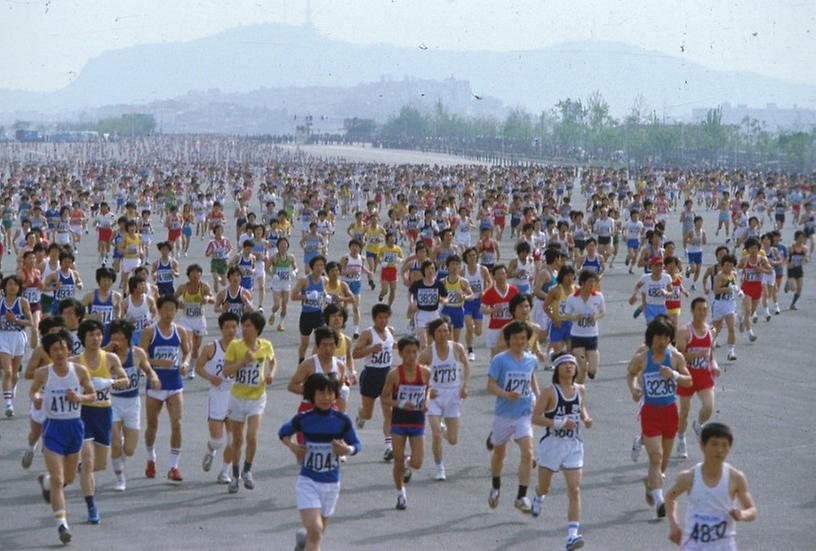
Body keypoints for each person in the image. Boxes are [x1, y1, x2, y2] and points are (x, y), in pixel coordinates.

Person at [279, 373, 361, 551]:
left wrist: (347, 450)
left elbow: (356, 444)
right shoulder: (304, 418)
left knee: (317, 532)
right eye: (321, 393)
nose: (326, 397)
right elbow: (283, 433)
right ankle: (308, 537)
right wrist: (292, 446)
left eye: (330, 393)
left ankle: (303, 541)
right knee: (316, 530)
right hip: (308, 482)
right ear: (312, 395)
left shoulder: (342, 421)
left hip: (331, 484)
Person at [29, 331, 96, 544]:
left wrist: (80, 397)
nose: (59, 353)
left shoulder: (79, 370)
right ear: (49, 353)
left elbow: (92, 395)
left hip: (74, 427)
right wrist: (37, 398)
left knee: (68, 479)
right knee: (59, 481)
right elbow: (32, 391)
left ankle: (45, 481)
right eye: (54, 350)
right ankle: (62, 525)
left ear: (68, 348)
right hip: (54, 428)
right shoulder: (43, 373)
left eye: (62, 348)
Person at [627, 317, 692, 518]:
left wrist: (673, 375)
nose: (662, 341)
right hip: (650, 413)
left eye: (666, 337)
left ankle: (652, 487)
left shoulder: (675, 358)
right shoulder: (643, 358)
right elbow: (630, 373)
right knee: (655, 456)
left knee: (661, 463)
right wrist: (634, 388)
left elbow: (689, 381)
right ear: (651, 338)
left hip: (670, 413)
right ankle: (660, 502)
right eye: (658, 337)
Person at [530, 353, 592, 551]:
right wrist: (559, 423)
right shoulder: (549, 392)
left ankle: (572, 536)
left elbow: (580, 408)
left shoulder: (580, 390)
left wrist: (586, 418)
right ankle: (539, 496)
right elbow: (535, 418)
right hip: (552, 445)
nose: (569, 367)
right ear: (557, 369)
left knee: (574, 490)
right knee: (545, 486)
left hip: (573, 445)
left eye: (572, 364)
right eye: (564, 364)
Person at [72, 319, 129, 523]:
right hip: (83, 413)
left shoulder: (111, 358)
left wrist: (110, 382)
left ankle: (71, 471)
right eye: (91, 335)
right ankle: (92, 509)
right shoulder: (76, 362)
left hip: (104, 414)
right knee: (88, 461)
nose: (96, 339)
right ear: (83, 338)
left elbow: (126, 380)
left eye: (98, 335)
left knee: (99, 464)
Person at [666, 422, 758, 550]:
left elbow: (752, 510)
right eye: (714, 444)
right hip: (694, 545)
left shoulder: (736, 478)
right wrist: (674, 524)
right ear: (702, 446)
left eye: (724, 445)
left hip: (724, 546)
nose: (719, 450)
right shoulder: (688, 477)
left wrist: (742, 514)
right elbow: (670, 497)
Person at [486, 320, 540, 514]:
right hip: (503, 414)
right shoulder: (500, 360)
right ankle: (495, 485)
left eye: (524, 338)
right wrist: (506, 394)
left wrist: (540, 400)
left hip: (523, 414)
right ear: (509, 340)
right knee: (500, 454)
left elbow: (532, 379)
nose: (520, 342)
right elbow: (490, 385)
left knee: (528, 453)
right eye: (516, 338)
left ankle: (521, 496)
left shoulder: (531, 360)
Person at [222, 311, 277, 493]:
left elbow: (273, 361)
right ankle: (235, 475)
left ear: (257, 329)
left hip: (257, 397)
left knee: (252, 436)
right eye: (243, 325)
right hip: (237, 398)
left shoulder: (266, 345)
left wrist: (271, 374)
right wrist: (242, 362)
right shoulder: (235, 347)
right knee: (237, 439)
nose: (244, 328)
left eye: (248, 325)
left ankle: (247, 470)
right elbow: (226, 371)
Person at [140, 294, 191, 482]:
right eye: (166, 309)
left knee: (177, 424)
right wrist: (156, 361)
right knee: (152, 426)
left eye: (173, 309)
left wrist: (185, 364)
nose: (170, 313)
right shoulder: (150, 331)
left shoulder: (180, 331)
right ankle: (150, 457)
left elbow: (187, 351)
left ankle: (173, 467)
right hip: (156, 384)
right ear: (159, 310)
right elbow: (140, 357)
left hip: (175, 384)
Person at [107, 319, 160, 492]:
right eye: (113, 336)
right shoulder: (106, 356)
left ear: (128, 338)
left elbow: (148, 369)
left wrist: (153, 377)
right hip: (112, 401)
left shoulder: (137, 354)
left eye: (120, 336)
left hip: (132, 403)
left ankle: (120, 457)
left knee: (129, 449)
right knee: (115, 444)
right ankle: (119, 477)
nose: (116, 340)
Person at [381, 336, 431, 509]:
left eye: (415, 352)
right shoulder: (394, 375)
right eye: (408, 352)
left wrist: (426, 402)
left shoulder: (425, 372)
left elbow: (428, 389)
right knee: (397, 461)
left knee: (417, 462)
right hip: (399, 422)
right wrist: (401, 404)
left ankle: (408, 465)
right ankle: (400, 494)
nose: (412, 356)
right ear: (401, 354)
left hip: (417, 421)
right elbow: (385, 398)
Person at [418, 318, 470, 481]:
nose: (443, 334)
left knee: (453, 440)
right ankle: (439, 466)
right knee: (436, 435)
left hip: (453, 394)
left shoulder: (456, 348)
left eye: (445, 331)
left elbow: (466, 365)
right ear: (433, 334)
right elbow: (415, 371)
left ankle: (442, 428)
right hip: (434, 396)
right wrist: (425, 390)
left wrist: (465, 386)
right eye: (439, 331)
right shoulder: (428, 352)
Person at [195, 312, 239, 484]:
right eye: (227, 327)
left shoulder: (241, 348)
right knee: (218, 440)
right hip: (217, 395)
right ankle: (210, 450)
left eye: (234, 326)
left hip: (235, 396)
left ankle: (224, 472)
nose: (231, 330)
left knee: (233, 440)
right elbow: (198, 367)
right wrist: (210, 377)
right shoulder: (211, 348)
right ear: (221, 328)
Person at [675, 297, 719, 459]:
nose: (702, 312)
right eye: (699, 309)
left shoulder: (710, 331)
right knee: (684, 412)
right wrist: (695, 355)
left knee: (709, 406)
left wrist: (714, 364)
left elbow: (710, 351)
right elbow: (679, 357)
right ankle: (681, 439)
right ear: (693, 311)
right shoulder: (684, 331)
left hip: (704, 374)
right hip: (687, 375)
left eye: (705, 309)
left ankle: (698, 424)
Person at [353, 303, 396, 461]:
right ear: (374, 318)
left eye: (385, 317)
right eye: (380, 318)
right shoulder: (367, 334)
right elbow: (355, 353)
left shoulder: (390, 331)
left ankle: (388, 447)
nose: (383, 321)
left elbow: (392, 345)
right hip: (370, 376)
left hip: (386, 377)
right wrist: (371, 350)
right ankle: (360, 415)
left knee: (389, 414)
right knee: (368, 414)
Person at [564, 269, 606, 383]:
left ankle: (591, 362)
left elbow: (603, 312)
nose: (592, 284)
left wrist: (596, 317)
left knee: (592, 371)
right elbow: (567, 315)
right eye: (589, 282)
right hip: (577, 335)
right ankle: (579, 389)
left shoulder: (598, 296)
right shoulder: (572, 298)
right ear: (582, 283)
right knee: (582, 365)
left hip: (592, 336)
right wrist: (576, 317)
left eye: (594, 282)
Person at [1, 274, 33, 416]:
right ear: (5, 287)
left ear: (19, 288)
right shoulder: (0, 302)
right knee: (7, 371)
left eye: (15, 284)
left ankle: (12, 388)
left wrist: (16, 320)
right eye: (9, 284)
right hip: (3, 337)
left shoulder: (23, 302)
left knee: (15, 374)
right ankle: (8, 404)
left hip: (19, 338)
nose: (12, 287)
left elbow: (30, 322)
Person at [175, 264, 215, 377]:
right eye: (193, 272)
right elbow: (172, 299)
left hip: (199, 319)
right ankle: (185, 364)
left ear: (201, 274)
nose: (195, 275)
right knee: (189, 344)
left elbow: (213, 299)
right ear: (188, 275)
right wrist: (179, 304)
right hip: (186, 319)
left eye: (198, 272)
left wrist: (207, 298)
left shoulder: (204, 287)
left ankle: (192, 368)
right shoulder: (183, 287)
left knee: (196, 347)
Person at [291, 255, 329, 365]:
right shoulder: (305, 280)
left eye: (321, 265)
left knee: (319, 341)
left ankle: (312, 363)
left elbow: (325, 293)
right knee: (305, 343)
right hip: (306, 315)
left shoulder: (324, 280)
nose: (319, 268)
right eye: (317, 265)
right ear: (312, 267)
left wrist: (327, 297)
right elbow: (293, 296)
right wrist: (307, 297)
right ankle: (301, 361)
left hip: (319, 315)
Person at [481, 264, 519, 358]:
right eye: (498, 274)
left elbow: (520, 306)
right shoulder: (489, 292)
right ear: (493, 276)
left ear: (506, 275)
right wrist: (493, 310)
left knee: (511, 352)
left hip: (510, 326)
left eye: (503, 273)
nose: (501, 276)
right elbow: (482, 309)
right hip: (495, 327)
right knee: (495, 353)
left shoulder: (514, 290)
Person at [462, 246, 492, 362]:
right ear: (466, 258)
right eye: (470, 256)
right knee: (469, 327)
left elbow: (489, 282)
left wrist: (485, 291)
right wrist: (464, 292)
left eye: (474, 255)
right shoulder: (463, 270)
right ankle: (470, 350)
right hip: (467, 301)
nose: (472, 258)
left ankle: (471, 337)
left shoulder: (483, 269)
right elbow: (459, 284)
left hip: (479, 302)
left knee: (478, 332)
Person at [629, 256, 674, 322]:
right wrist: (634, 295)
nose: (659, 268)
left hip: (662, 307)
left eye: (660, 265)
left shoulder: (667, 277)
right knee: (652, 325)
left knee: (661, 327)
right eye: (656, 265)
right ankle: (641, 308)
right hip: (649, 307)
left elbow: (672, 293)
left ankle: (640, 308)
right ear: (651, 267)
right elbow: (637, 286)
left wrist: (666, 293)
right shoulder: (645, 277)